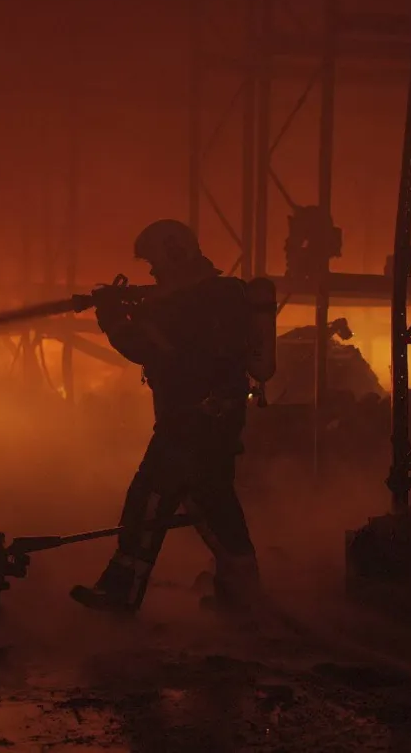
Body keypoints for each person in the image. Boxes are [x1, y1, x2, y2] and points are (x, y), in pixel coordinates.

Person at [70, 219, 261, 615]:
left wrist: (113, 319)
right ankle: (242, 593)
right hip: (211, 420)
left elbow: (148, 346)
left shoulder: (197, 302)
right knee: (213, 503)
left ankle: (121, 592)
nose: (154, 273)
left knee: (149, 498)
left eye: (155, 263)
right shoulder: (214, 296)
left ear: (175, 254)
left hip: (192, 423)